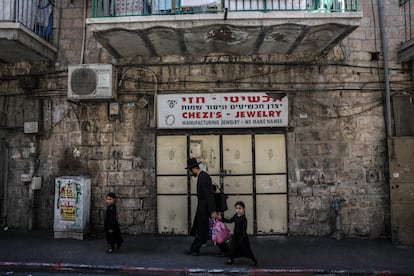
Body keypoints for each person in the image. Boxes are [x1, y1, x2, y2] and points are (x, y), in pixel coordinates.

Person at [184, 158, 228, 256]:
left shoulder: (203, 177)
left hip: (206, 210)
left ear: (193, 169)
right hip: (204, 209)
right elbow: (209, 190)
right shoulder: (203, 176)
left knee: (211, 230)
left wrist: (212, 211)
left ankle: (224, 250)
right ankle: (194, 249)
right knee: (204, 230)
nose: (191, 173)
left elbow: (209, 196)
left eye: (190, 171)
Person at [220, 201, 258, 266]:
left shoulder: (244, 219)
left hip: (242, 237)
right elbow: (230, 221)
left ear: (244, 209)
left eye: (239, 208)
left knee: (246, 250)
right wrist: (222, 219)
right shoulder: (235, 216)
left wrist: (242, 238)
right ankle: (230, 260)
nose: (238, 210)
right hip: (235, 236)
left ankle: (254, 260)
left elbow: (244, 230)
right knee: (232, 248)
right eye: (236, 208)